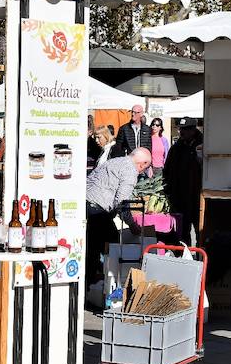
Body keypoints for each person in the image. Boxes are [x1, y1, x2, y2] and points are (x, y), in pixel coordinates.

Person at [85, 148, 152, 282]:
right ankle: (112, 285)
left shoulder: (115, 162)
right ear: (142, 164)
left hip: (86, 205)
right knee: (114, 248)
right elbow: (122, 202)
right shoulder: (130, 171)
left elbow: (90, 180)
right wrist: (131, 224)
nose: (143, 171)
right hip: (97, 211)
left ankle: (92, 285)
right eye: (145, 168)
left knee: (91, 250)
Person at [163, 118, 203, 243]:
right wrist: (168, 190)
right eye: (180, 129)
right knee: (182, 230)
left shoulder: (203, 145)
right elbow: (168, 170)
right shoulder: (176, 148)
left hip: (199, 195)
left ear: (193, 130)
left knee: (200, 229)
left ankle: (201, 257)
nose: (181, 132)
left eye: (184, 130)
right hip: (180, 196)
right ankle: (184, 257)